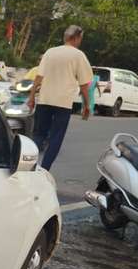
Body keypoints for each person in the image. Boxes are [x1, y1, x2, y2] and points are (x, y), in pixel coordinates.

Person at [28, 25, 94, 170]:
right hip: (63, 104)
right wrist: (87, 105)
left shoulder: (50, 52)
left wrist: (31, 97)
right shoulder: (78, 55)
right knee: (55, 139)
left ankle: (29, 167)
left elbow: (39, 77)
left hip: (44, 100)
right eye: (81, 38)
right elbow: (84, 85)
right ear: (76, 38)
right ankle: (45, 169)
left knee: (38, 135)